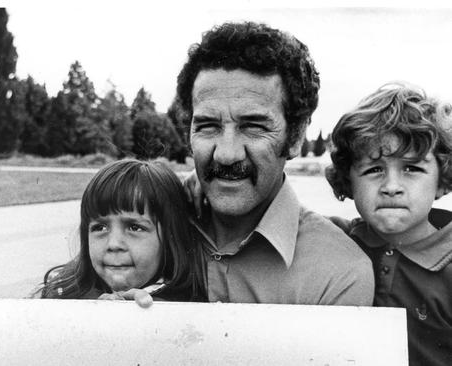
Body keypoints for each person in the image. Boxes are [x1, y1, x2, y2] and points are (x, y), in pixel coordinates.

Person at [178, 21, 374, 304]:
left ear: (295, 138)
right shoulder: (144, 228)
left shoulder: (338, 275)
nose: (226, 154)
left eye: (253, 126)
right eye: (208, 126)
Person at [325, 83, 452, 366]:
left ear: (442, 180)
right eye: (374, 170)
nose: (391, 187)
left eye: (412, 168)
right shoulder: (332, 238)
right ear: (349, 182)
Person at [40, 159, 206, 302]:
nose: (113, 244)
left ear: (172, 237)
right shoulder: (66, 295)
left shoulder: (188, 307)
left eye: (135, 227)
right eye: (100, 227)